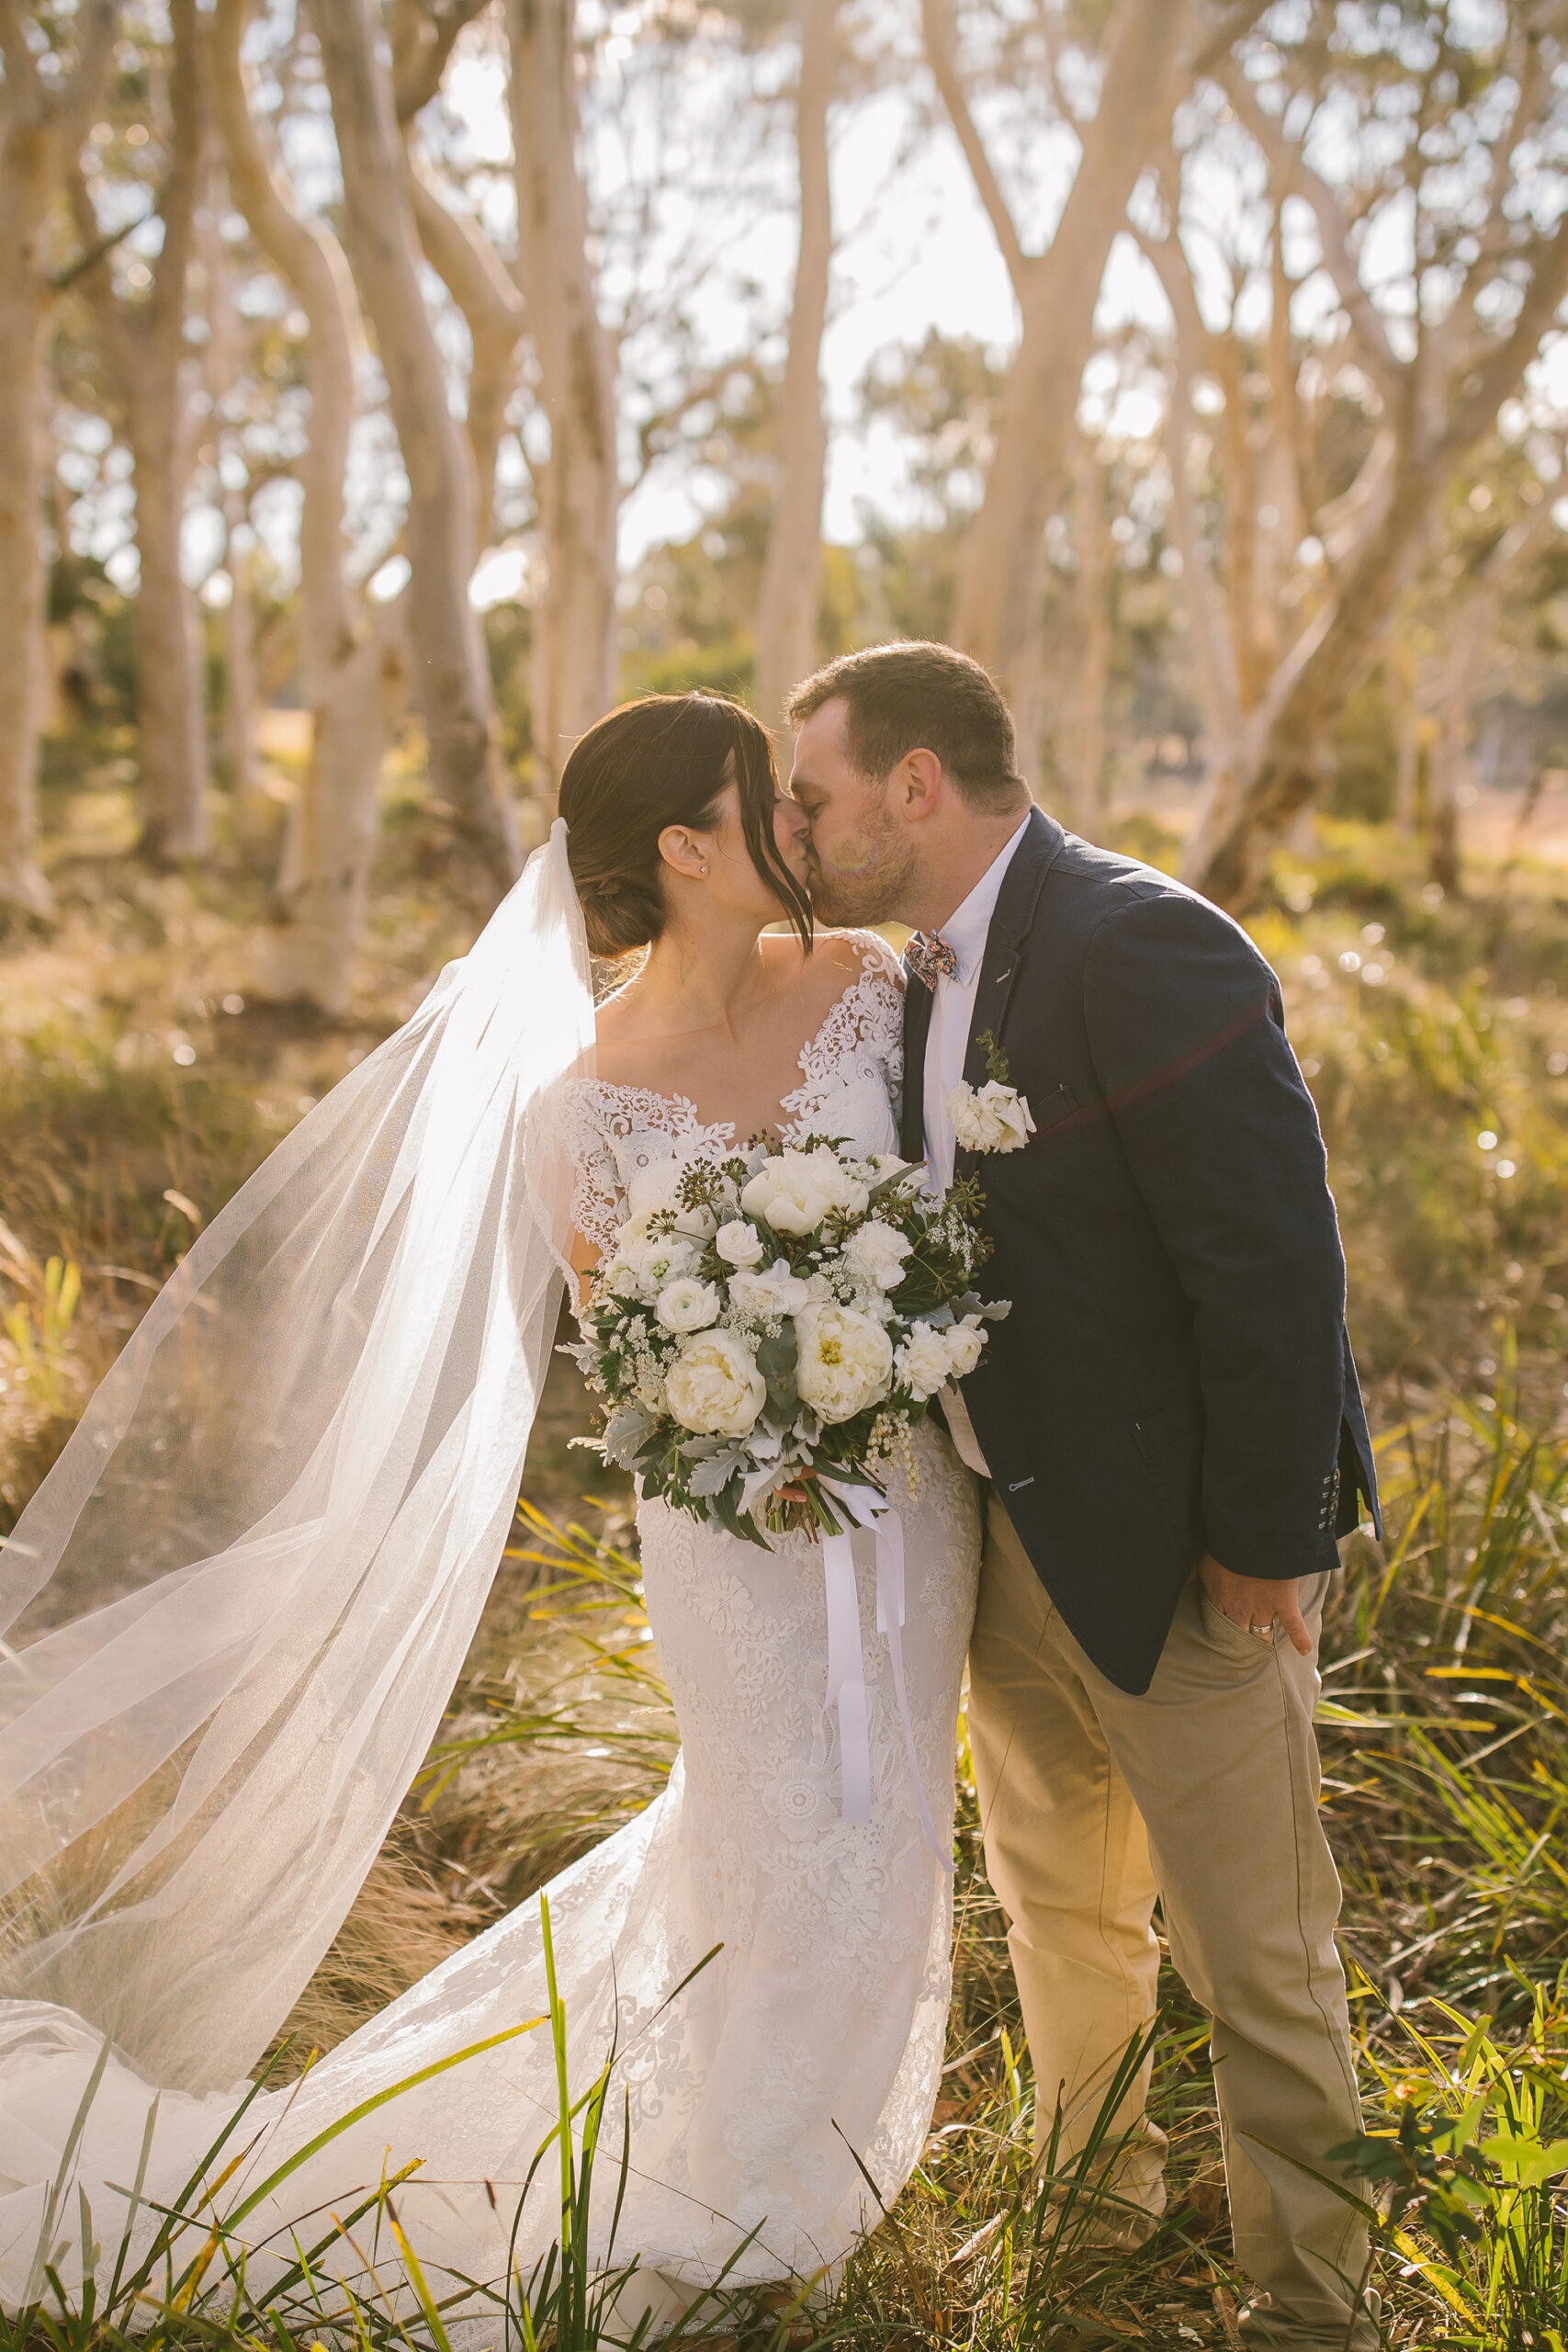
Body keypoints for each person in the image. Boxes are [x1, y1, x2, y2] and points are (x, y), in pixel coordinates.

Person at [0, 694, 978, 2339]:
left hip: (911, 1513)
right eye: (769, 807)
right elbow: (639, 1360)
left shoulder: (872, 990)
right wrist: (766, 1400)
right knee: (782, 1833)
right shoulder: (585, 1101)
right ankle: (720, 2218)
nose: (805, 833)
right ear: (684, 848)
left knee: (886, 1834)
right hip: (740, 1533)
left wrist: (879, 1356)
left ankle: (760, 2172)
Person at [786, 640, 1382, 2352]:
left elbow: (1274, 1269)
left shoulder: (1144, 941)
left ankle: (1312, 2314)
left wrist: (1269, 1541)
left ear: (915, 786)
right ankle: (1098, 2264)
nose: (800, 832)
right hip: (1005, 1549)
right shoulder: (899, 981)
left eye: (816, 797)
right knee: (1065, 1932)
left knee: (1256, 1958)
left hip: (1194, 1563)